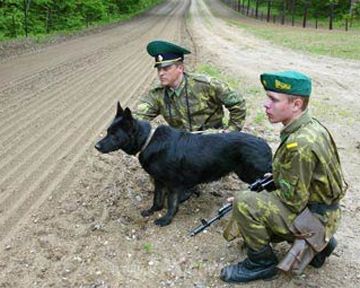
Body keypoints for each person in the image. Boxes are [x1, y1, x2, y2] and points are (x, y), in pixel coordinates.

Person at [220, 70, 347, 283]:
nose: (266, 105)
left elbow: (293, 202)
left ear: (296, 104)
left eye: (273, 99)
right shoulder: (310, 127)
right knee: (256, 196)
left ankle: (261, 263)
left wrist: (254, 199)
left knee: (244, 202)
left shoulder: (300, 144)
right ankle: (321, 243)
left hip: (316, 216)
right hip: (324, 211)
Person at [135, 40, 246, 132]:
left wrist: (231, 132)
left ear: (180, 68)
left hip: (212, 143)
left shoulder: (205, 84)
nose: (161, 73)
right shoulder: (157, 95)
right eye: (159, 69)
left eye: (166, 68)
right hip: (182, 147)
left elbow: (237, 102)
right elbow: (136, 118)